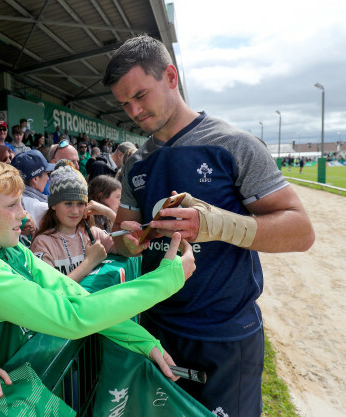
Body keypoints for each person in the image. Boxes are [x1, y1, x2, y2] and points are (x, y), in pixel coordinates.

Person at [103, 35, 314, 417]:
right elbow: (125, 235)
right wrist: (129, 242)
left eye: (140, 95)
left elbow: (301, 231)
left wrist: (218, 225)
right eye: (124, 103)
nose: (133, 110)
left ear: (170, 76)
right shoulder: (136, 163)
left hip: (223, 334)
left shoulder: (233, 145)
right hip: (155, 328)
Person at [0, 158, 196, 384]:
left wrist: (141, 339)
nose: (23, 214)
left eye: (21, 203)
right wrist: (166, 280)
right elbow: (72, 317)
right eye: (12, 205)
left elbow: (74, 294)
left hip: (22, 389)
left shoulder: (8, 248)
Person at [30, 162, 117, 282]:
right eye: (68, 203)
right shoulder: (43, 243)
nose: (75, 211)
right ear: (54, 205)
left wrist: (109, 213)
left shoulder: (92, 234)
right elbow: (51, 290)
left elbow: (133, 248)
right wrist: (90, 261)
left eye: (80, 203)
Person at [11, 150, 54, 227]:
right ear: (35, 179)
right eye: (47, 174)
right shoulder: (42, 208)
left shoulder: (11, 201)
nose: (48, 178)